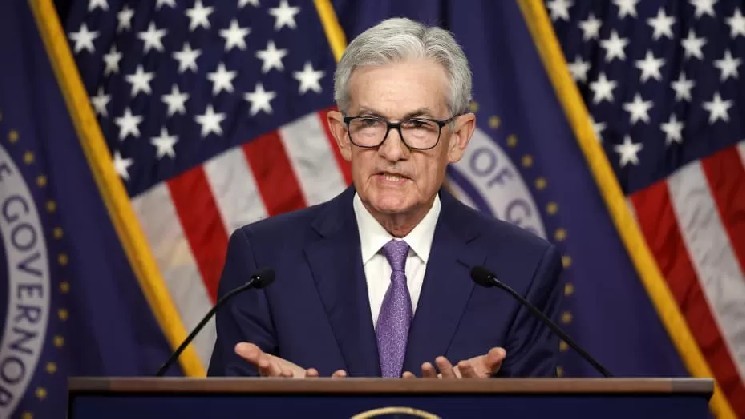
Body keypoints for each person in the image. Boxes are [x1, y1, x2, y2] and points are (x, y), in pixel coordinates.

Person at [207, 17, 562, 379]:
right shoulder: (263, 261)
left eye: (418, 125)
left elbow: (540, 408)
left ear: (458, 138)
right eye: (370, 123)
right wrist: (277, 405)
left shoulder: (520, 269)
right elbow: (222, 404)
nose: (392, 151)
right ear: (342, 135)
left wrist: (478, 405)